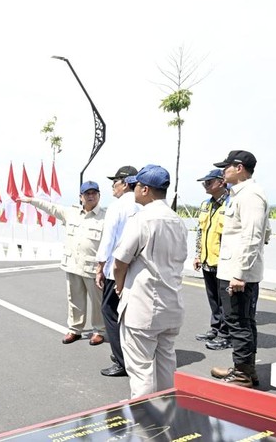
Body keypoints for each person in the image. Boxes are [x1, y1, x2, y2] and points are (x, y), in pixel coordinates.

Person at [112, 165, 188, 398]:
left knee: (141, 367)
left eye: (135, 186)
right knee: (166, 361)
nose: (133, 190)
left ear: (145, 190)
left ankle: (146, 423)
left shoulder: (142, 219)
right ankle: (167, 410)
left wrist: (119, 284)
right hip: (172, 302)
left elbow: (120, 262)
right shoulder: (177, 220)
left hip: (143, 305)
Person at [209, 150, 269, 388]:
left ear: (239, 167)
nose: (223, 171)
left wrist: (240, 274)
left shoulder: (251, 195)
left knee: (238, 322)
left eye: (226, 167)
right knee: (242, 321)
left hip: (238, 272)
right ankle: (246, 369)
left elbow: (253, 236)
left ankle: (243, 375)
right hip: (234, 269)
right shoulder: (241, 194)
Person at [20, 181, 106, 345]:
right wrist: (31, 200)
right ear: (81, 197)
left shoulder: (105, 216)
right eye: (87, 193)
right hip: (73, 265)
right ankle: (75, 329)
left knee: (98, 302)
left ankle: (99, 331)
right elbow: (50, 207)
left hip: (93, 268)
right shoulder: (70, 213)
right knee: (74, 300)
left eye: (94, 193)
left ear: (99, 196)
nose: (91, 196)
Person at [95, 165, 139, 378]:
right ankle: (129, 354)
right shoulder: (144, 204)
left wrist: (99, 266)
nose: (113, 185)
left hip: (116, 269)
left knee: (110, 312)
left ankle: (122, 361)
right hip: (137, 270)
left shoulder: (118, 206)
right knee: (130, 314)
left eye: (116, 181)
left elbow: (108, 239)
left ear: (125, 182)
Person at [193, 168, 230, 350]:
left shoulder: (230, 204)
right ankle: (215, 328)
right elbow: (200, 232)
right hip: (208, 260)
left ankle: (225, 333)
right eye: (204, 183)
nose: (205, 186)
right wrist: (198, 254)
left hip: (224, 262)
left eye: (208, 182)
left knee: (225, 300)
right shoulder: (206, 205)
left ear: (221, 182)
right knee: (213, 298)